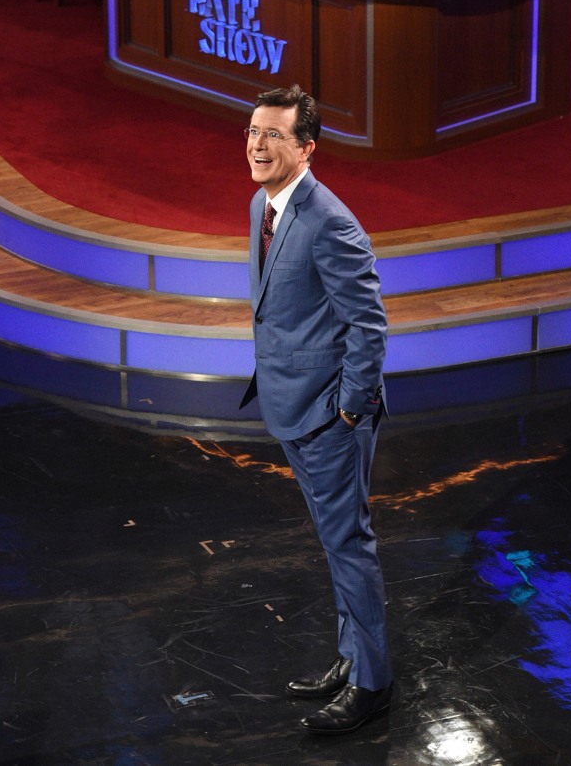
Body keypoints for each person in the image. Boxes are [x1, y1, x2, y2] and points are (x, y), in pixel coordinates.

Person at [240, 84, 392, 735]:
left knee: (349, 546)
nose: (256, 143)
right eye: (253, 131)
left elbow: (369, 326)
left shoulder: (330, 220)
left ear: (307, 147)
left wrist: (349, 412)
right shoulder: (262, 204)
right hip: (292, 404)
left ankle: (372, 683)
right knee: (336, 546)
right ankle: (351, 655)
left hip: (330, 417)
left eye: (274, 134)